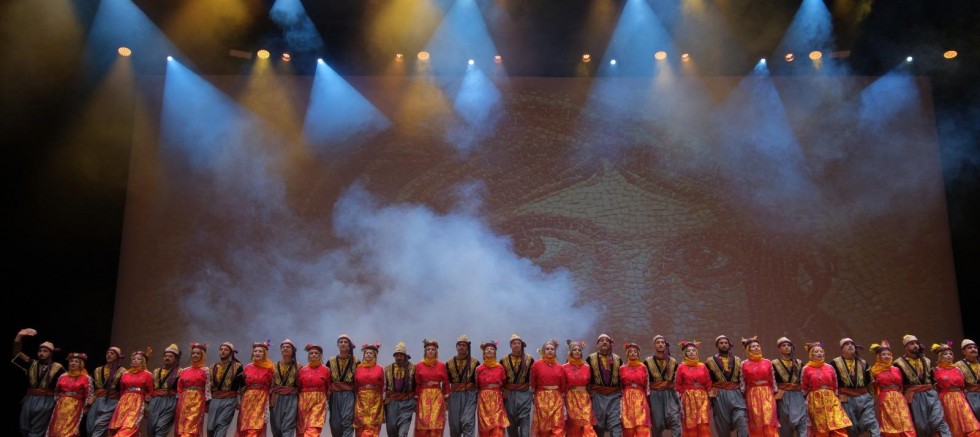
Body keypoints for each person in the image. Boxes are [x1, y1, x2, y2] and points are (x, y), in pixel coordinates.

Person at [893, 334, 952, 437]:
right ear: (905, 347)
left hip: (930, 394)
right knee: (921, 426)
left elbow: (933, 380)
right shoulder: (898, 363)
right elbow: (898, 384)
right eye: (912, 344)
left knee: (938, 420)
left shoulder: (927, 360)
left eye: (916, 343)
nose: (915, 345)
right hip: (914, 396)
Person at [13, 328, 65, 437]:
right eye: (40, 351)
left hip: (46, 400)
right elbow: (16, 354)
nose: (41, 353)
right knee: (24, 427)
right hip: (30, 399)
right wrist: (19, 336)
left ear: (51, 353)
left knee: (37, 431)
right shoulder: (31, 363)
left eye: (45, 351)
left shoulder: (58, 367)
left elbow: (66, 384)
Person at [800, 342, 852, 437]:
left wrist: (834, 396)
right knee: (821, 427)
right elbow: (803, 387)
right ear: (811, 354)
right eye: (816, 352)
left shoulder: (829, 367)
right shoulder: (806, 369)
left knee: (837, 423)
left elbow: (835, 384)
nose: (819, 353)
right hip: (815, 400)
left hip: (831, 399)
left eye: (821, 351)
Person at [830, 338, 880, 437]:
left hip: (864, 398)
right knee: (851, 428)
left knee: (871, 422)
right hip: (846, 399)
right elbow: (832, 382)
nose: (850, 345)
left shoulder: (863, 363)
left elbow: (870, 382)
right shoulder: (834, 363)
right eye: (847, 344)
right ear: (842, 349)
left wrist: (871, 398)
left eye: (852, 344)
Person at [931, 342, 980, 437]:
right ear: (940, 356)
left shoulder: (957, 369)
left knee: (969, 420)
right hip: (946, 399)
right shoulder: (936, 370)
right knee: (953, 421)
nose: (949, 356)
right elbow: (936, 387)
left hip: (960, 397)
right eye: (945, 354)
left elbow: (962, 384)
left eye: (950, 354)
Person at [868, 341, 915, 437]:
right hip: (885, 399)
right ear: (879, 356)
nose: (886, 356)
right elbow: (872, 388)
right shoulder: (874, 371)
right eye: (883, 354)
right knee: (891, 422)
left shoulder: (896, 369)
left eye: (888, 354)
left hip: (899, 398)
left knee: (905, 421)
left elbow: (901, 384)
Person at [706, 335, 748, 437]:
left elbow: (742, 378)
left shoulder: (738, 360)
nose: (724, 345)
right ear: (717, 345)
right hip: (719, 396)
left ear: (729, 345)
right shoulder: (710, 361)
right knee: (723, 426)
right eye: (721, 343)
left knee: (742, 420)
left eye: (726, 343)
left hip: (736, 394)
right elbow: (707, 380)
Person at [46, 352, 94, 437]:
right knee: (57, 427)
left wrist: (86, 406)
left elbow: (89, 393)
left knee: (70, 429)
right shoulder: (62, 376)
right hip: (61, 405)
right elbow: (57, 391)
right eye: (71, 361)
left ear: (80, 364)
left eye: (76, 361)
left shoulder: (86, 378)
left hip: (76, 406)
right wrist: (59, 401)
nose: (73, 363)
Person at [109, 349, 155, 437]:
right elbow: (122, 389)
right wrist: (121, 401)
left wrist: (146, 404)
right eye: (134, 359)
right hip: (124, 402)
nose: (135, 360)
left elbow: (150, 391)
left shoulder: (147, 374)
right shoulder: (125, 374)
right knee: (120, 424)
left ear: (143, 361)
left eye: (138, 359)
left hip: (138, 401)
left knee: (130, 425)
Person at [739, 337, 778, 437]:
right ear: (748, 349)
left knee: (769, 418)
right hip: (752, 394)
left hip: (767, 393)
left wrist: (775, 392)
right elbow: (743, 381)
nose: (756, 348)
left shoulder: (767, 362)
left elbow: (772, 378)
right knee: (756, 420)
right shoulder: (744, 364)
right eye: (753, 347)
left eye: (758, 346)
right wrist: (742, 394)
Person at [586, 334, 623, 437]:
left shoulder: (617, 359)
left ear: (610, 344)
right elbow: (585, 378)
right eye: (601, 340)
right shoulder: (590, 359)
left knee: (616, 424)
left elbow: (623, 378)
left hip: (615, 396)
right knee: (598, 425)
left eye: (606, 340)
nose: (604, 342)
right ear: (597, 344)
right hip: (598, 396)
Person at [643, 336, 681, 437]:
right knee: (656, 424)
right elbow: (645, 380)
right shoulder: (647, 361)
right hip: (655, 395)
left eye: (662, 342)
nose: (660, 344)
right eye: (658, 342)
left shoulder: (673, 361)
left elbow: (676, 380)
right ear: (654, 345)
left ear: (665, 344)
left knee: (675, 420)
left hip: (669, 394)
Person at [236, 341, 274, 437]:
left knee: (256, 424)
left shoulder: (270, 368)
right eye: (255, 351)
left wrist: (271, 400)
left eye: (260, 351)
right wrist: (240, 400)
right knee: (245, 424)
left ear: (264, 354)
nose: (257, 353)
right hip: (248, 398)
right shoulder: (248, 367)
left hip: (262, 398)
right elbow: (242, 385)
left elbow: (273, 385)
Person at [87, 346, 127, 437]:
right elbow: (91, 387)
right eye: (107, 353)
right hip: (96, 401)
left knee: (99, 426)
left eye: (112, 353)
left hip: (111, 402)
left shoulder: (123, 371)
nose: (108, 355)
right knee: (90, 427)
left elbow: (124, 389)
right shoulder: (98, 370)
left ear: (117, 357)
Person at [675, 341, 711, 437]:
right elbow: (678, 385)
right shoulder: (681, 367)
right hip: (688, 398)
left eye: (693, 350)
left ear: (696, 353)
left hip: (702, 397)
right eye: (689, 351)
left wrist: (710, 396)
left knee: (703, 421)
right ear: (685, 353)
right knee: (690, 423)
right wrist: (682, 397)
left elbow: (708, 382)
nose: (691, 352)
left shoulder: (702, 366)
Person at [530, 339, 566, 437]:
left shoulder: (560, 367)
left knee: (557, 424)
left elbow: (563, 385)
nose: (550, 351)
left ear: (555, 351)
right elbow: (533, 382)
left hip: (556, 398)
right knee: (543, 426)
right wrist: (533, 395)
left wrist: (562, 397)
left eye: (552, 349)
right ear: (543, 351)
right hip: (541, 397)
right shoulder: (536, 365)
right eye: (547, 349)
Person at [207, 342, 243, 437]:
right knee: (210, 427)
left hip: (230, 400)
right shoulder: (212, 367)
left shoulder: (237, 366)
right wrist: (206, 402)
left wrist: (241, 402)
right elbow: (208, 386)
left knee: (222, 424)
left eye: (226, 350)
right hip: (215, 399)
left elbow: (242, 385)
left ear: (231, 353)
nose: (223, 351)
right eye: (221, 349)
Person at [772, 338, 807, 437]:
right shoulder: (774, 363)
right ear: (779, 349)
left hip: (798, 395)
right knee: (785, 424)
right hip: (783, 395)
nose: (787, 347)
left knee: (802, 422)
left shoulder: (799, 363)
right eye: (784, 345)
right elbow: (772, 381)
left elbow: (803, 380)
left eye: (789, 345)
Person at [174, 342, 210, 437]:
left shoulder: (206, 370)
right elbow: (179, 387)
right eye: (193, 353)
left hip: (198, 400)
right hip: (184, 401)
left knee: (192, 425)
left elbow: (208, 387)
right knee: (182, 425)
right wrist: (178, 400)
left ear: (202, 355)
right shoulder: (184, 370)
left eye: (198, 353)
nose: (195, 355)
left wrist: (207, 402)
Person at [416, 338, 450, 437]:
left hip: (437, 397)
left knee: (436, 422)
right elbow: (417, 383)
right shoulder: (419, 365)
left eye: (433, 349)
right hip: (423, 395)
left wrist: (446, 396)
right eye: (428, 349)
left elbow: (446, 383)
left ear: (436, 352)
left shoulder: (441, 365)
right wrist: (416, 397)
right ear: (425, 352)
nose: (430, 351)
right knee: (423, 422)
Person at [329, 334, 361, 437]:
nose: (343, 344)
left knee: (348, 421)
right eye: (341, 342)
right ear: (337, 345)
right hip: (335, 395)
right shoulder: (331, 361)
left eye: (345, 342)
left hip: (349, 395)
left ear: (349, 345)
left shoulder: (356, 362)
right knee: (335, 424)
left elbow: (359, 380)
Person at [503, 334, 534, 437]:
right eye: (514, 343)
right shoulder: (504, 360)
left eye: (518, 343)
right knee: (510, 421)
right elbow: (500, 378)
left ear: (522, 345)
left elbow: (533, 377)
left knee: (524, 418)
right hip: (509, 394)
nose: (517, 345)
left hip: (524, 393)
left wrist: (533, 391)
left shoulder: (529, 359)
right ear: (510, 345)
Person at [449, 335, 481, 437]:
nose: (461, 347)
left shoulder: (475, 363)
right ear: (456, 347)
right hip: (454, 396)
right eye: (459, 345)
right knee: (455, 425)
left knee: (468, 422)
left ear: (468, 347)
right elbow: (446, 382)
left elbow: (478, 381)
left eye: (464, 345)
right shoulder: (449, 363)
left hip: (470, 396)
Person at [297, 343, 331, 437]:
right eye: (311, 353)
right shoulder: (302, 370)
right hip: (304, 401)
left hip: (319, 401)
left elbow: (329, 387)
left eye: (316, 353)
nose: (313, 355)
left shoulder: (326, 370)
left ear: (320, 355)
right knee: (303, 428)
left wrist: (326, 401)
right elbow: (299, 386)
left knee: (314, 426)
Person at [565, 340, 597, 437]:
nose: (577, 351)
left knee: (587, 424)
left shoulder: (587, 367)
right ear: (571, 352)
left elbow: (590, 383)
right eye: (575, 350)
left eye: (579, 350)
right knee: (574, 425)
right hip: (571, 397)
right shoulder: (564, 367)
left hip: (584, 397)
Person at [147, 343, 181, 437]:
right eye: (165, 356)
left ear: (175, 358)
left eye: (170, 356)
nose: (167, 358)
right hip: (155, 401)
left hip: (170, 401)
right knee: (151, 428)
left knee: (161, 428)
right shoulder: (156, 371)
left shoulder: (180, 372)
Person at [385, 342, 416, 437]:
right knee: (391, 430)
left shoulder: (413, 367)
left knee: (403, 432)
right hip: (392, 403)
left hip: (407, 402)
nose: (398, 357)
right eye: (396, 355)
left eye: (401, 355)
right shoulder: (387, 369)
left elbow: (418, 384)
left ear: (405, 356)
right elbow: (383, 386)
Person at [620, 342, 651, 437]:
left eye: (635, 351)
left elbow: (647, 384)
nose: (633, 353)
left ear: (638, 354)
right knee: (628, 427)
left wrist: (647, 399)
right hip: (626, 398)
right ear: (627, 354)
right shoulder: (622, 368)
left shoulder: (643, 367)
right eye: (630, 352)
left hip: (640, 397)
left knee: (642, 425)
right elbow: (620, 385)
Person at [271, 339, 300, 437]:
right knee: (276, 428)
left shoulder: (299, 367)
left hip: (292, 399)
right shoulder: (273, 366)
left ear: (293, 350)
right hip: (276, 398)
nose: (285, 348)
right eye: (283, 347)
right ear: (280, 350)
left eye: (288, 347)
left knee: (288, 427)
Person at [355, 342, 385, 437]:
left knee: (372, 424)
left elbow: (383, 385)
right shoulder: (358, 369)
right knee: (361, 423)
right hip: (361, 400)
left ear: (375, 355)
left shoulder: (380, 369)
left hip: (375, 399)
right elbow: (355, 385)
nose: (368, 354)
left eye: (371, 353)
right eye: (366, 353)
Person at [956, 339, 980, 419]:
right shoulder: (958, 365)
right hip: (971, 395)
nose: (973, 349)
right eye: (970, 348)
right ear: (963, 352)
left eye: (975, 347)